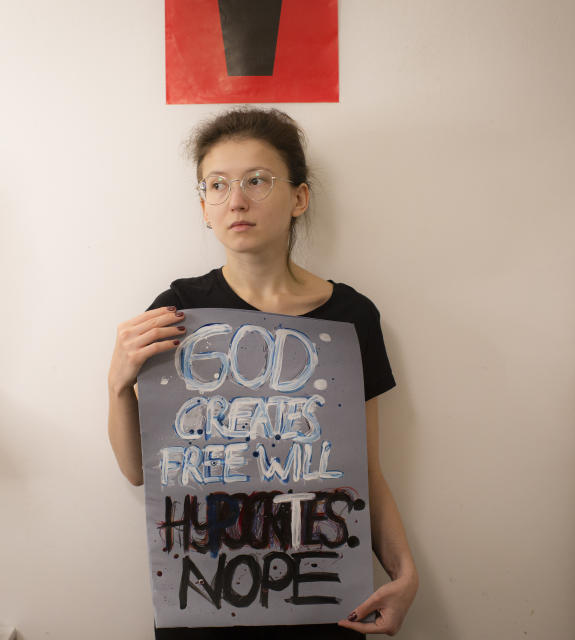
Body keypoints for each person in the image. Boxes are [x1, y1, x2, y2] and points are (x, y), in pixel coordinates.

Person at [107, 108, 418, 639]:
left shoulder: (350, 316)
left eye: (257, 180)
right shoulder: (177, 311)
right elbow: (143, 473)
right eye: (218, 184)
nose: (237, 200)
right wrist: (117, 384)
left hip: (321, 602)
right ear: (203, 206)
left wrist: (405, 572)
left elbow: (364, 471)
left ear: (299, 197)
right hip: (204, 602)